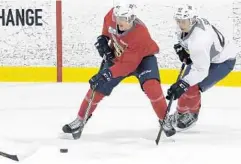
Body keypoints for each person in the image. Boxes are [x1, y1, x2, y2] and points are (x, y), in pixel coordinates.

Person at [62, 2, 176, 139]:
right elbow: (107, 26)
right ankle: (80, 120)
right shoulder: (112, 16)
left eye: (125, 19)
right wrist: (104, 38)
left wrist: (107, 74)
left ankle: (164, 119)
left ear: (132, 19)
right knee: (97, 87)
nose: (120, 22)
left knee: (152, 86)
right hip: (119, 54)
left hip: (143, 59)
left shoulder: (140, 34)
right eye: (118, 18)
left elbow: (127, 66)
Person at [166, 4, 237, 130]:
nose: (180, 24)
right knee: (184, 85)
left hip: (223, 61)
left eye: (183, 21)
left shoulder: (199, 42)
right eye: (178, 21)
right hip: (206, 56)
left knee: (191, 86)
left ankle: (192, 115)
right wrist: (182, 48)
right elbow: (185, 38)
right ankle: (180, 114)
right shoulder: (192, 24)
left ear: (192, 20)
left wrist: (183, 84)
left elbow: (201, 71)